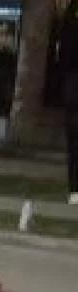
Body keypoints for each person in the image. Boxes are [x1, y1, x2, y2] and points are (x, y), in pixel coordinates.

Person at [66, 68, 78, 205]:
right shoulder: (73, 78)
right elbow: (70, 100)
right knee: (75, 157)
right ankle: (74, 191)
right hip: (75, 124)